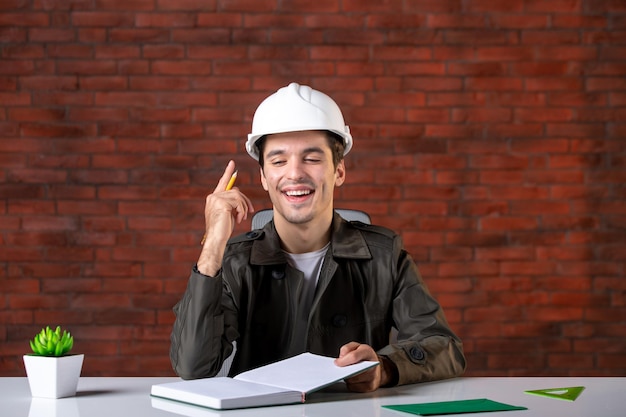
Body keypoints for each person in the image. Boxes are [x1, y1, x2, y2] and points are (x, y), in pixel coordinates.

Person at [170, 82, 465, 392]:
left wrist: (386, 367)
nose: (295, 173)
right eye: (279, 161)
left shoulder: (384, 255)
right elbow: (194, 367)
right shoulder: (234, 261)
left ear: (339, 171)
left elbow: (444, 346)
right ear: (263, 177)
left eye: (312, 158)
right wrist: (213, 246)